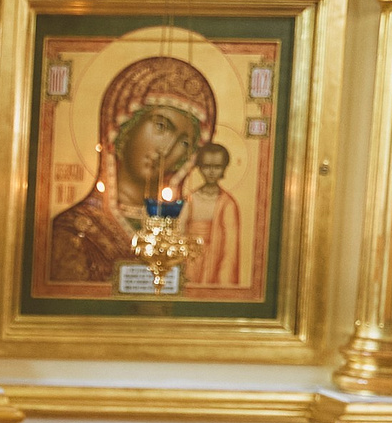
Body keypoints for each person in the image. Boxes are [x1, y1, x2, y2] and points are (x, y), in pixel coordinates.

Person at [45, 54, 216, 286]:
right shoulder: (73, 231)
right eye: (161, 126)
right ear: (123, 125)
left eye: (185, 143)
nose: (167, 150)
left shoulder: (187, 234)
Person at [182, 142, 244, 291]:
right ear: (199, 167)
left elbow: (230, 248)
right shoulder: (190, 199)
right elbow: (180, 230)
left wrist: (224, 280)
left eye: (216, 167)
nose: (211, 172)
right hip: (190, 260)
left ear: (224, 168)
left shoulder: (228, 203)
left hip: (215, 262)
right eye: (206, 166)